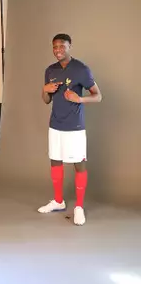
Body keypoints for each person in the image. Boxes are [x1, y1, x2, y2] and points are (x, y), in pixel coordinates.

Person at [38, 33, 102, 226]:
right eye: (55, 47)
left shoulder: (81, 69)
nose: (58, 50)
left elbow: (98, 96)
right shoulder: (50, 70)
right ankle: (58, 201)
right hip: (55, 125)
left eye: (62, 46)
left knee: (78, 165)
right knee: (55, 162)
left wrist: (80, 99)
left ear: (70, 46)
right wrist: (44, 90)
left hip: (75, 127)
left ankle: (79, 207)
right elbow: (46, 100)